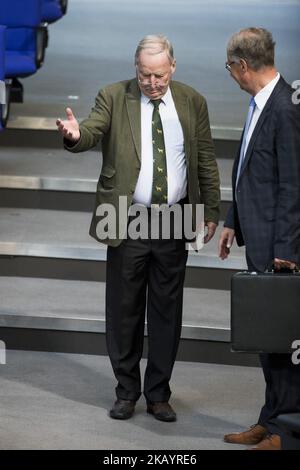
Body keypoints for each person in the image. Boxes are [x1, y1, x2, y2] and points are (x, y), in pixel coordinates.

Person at [57, 35, 220, 422]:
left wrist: (211, 209)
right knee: (124, 308)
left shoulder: (192, 100)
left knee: (167, 310)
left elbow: (206, 159)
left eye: (159, 75)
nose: (152, 83)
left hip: (175, 216)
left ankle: (159, 393)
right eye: (145, 75)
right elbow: (92, 130)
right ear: (136, 69)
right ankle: (127, 391)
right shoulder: (114, 96)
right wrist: (75, 136)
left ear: (173, 68)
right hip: (127, 216)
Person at [219, 27, 300, 450]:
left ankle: (286, 433)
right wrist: (233, 219)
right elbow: (250, 169)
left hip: (280, 246)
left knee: (285, 343)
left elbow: (293, 184)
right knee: (268, 337)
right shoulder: (260, 104)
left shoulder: (286, 108)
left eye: (230, 67)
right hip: (260, 235)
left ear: (242, 66)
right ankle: (269, 420)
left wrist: (287, 249)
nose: (230, 75)